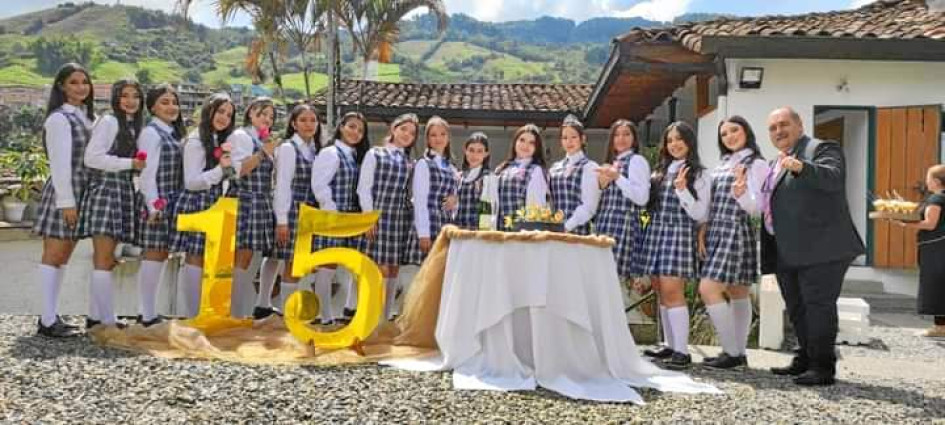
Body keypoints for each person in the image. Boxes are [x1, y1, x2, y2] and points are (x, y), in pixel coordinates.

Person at [762, 107, 865, 386]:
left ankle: (822, 367)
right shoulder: (777, 160)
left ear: (799, 125)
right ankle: (804, 358)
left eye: (784, 124)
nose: (778, 131)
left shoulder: (820, 148)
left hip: (823, 249)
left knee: (817, 306)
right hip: (788, 249)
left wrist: (802, 167)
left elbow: (833, 177)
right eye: (772, 127)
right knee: (796, 307)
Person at [698, 116, 768, 369]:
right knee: (738, 291)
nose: (729, 136)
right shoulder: (724, 163)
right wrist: (703, 229)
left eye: (734, 130)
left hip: (736, 230)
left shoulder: (757, 164)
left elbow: (757, 208)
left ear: (746, 131)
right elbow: (712, 201)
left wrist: (741, 194)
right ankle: (738, 353)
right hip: (716, 229)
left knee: (708, 289)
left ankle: (730, 351)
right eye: (724, 133)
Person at [639, 121, 709, 370]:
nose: (674, 144)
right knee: (660, 289)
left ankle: (682, 351)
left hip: (678, 233)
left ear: (689, 142)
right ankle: (669, 344)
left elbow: (701, 213)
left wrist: (683, 191)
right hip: (656, 232)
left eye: (679, 139)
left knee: (672, 290)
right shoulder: (660, 172)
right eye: (670, 140)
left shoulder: (699, 173)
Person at [78, 79, 146, 329]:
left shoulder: (132, 125)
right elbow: (91, 158)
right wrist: (129, 164)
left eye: (135, 96)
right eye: (125, 96)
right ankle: (105, 319)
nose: (130, 101)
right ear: (116, 99)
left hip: (122, 189)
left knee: (108, 258)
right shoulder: (109, 122)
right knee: (103, 258)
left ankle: (96, 317)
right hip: (107, 190)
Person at [33, 63, 95, 337]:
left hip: (81, 192)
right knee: (53, 254)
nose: (81, 87)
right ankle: (46, 320)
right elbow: (59, 165)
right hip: (64, 193)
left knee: (64, 255)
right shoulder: (59, 119)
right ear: (61, 86)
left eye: (84, 82)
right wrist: (67, 202)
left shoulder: (84, 116)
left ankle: (52, 314)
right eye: (74, 82)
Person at [171, 93, 237, 318]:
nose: (224, 118)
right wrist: (220, 170)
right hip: (198, 201)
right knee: (195, 256)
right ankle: (191, 314)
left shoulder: (218, 140)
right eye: (220, 111)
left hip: (215, 201)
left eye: (229, 114)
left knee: (210, 258)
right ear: (209, 110)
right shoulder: (196, 141)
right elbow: (191, 181)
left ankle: (205, 311)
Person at [357, 113, 419, 320]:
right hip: (378, 217)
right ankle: (371, 315)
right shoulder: (376, 153)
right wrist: (368, 218)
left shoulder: (410, 162)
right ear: (393, 129)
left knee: (393, 269)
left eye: (411, 133)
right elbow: (363, 188)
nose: (407, 135)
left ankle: (385, 315)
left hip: (400, 218)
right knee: (379, 269)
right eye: (403, 129)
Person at [311, 111, 371, 323]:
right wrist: (332, 212)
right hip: (333, 216)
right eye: (352, 126)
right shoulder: (331, 153)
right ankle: (323, 315)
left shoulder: (353, 156)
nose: (356, 133)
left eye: (361, 130)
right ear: (341, 127)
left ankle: (344, 310)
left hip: (348, 217)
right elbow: (319, 185)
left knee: (344, 265)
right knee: (326, 267)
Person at [136, 84, 186, 324]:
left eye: (174, 102)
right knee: (154, 255)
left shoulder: (170, 132)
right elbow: (147, 174)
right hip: (158, 201)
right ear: (152, 106)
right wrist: (154, 206)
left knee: (162, 254)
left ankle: (149, 311)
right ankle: (146, 313)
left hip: (169, 200)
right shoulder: (151, 133)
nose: (171, 107)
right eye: (165, 102)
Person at [227, 97, 280, 319]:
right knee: (242, 257)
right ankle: (235, 312)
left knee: (251, 259)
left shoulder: (263, 139)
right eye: (262, 114)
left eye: (270, 116)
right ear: (250, 113)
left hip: (261, 201)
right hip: (245, 199)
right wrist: (263, 153)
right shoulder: (242, 136)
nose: (266, 119)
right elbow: (239, 170)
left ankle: (243, 309)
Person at [273, 104, 322, 314]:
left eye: (312, 120)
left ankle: (293, 311)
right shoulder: (288, 148)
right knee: (292, 264)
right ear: (293, 123)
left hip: (309, 211)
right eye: (303, 120)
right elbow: (282, 184)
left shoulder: (315, 149)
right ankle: (287, 312)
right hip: (293, 210)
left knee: (301, 264)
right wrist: (282, 220)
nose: (308, 124)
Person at [595, 119, 650, 281]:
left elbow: (641, 198)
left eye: (626, 134)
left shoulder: (636, 161)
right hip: (605, 224)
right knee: (603, 279)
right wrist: (601, 185)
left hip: (624, 225)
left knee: (615, 281)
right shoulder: (611, 164)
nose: (621, 138)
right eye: (617, 135)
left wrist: (617, 177)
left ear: (634, 138)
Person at [894, 164, 945, 338]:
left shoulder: (936, 199)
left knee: (935, 285)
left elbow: (930, 224)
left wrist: (905, 224)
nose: (926, 181)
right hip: (939, 247)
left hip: (935, 248)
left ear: (937, 181)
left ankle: (940, 327)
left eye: (928, 178)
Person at [405, 116, 459, 264]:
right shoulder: (424, 164)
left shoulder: (451, 167)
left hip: (444, 227)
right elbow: (421, 201)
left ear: (448, 138)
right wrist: (423, 234)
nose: (438, 138)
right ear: (427, 139)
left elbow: (441, 200)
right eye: (433, 135)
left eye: (442, 134)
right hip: (427, 227)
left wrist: (454, 201)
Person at [548, 115, 600, 235]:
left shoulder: (590, 167)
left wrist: (567, 226)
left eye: (573, 137)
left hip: (578, 233)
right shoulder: (555, 168)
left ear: (583, 139)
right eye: (565, 138)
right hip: (555, 231)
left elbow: (589, 206)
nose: (569, 141)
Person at [494, 124, 549, 231]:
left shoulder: (536, 170)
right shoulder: (501, 169)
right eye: (522, 140)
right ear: (515, 142)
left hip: (522, 234)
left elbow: (535, 209)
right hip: (499, 232)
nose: (525, 145)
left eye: (531, 143)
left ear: (536, 148)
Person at [455, 132, 491, 230]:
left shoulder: (488, 178)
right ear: (465, 151)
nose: (474, 155)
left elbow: (487, 212)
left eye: (480, 151)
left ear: (486, 154)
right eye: (471, 150)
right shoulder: (459, 177)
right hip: (458, 234)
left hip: (476, 235)